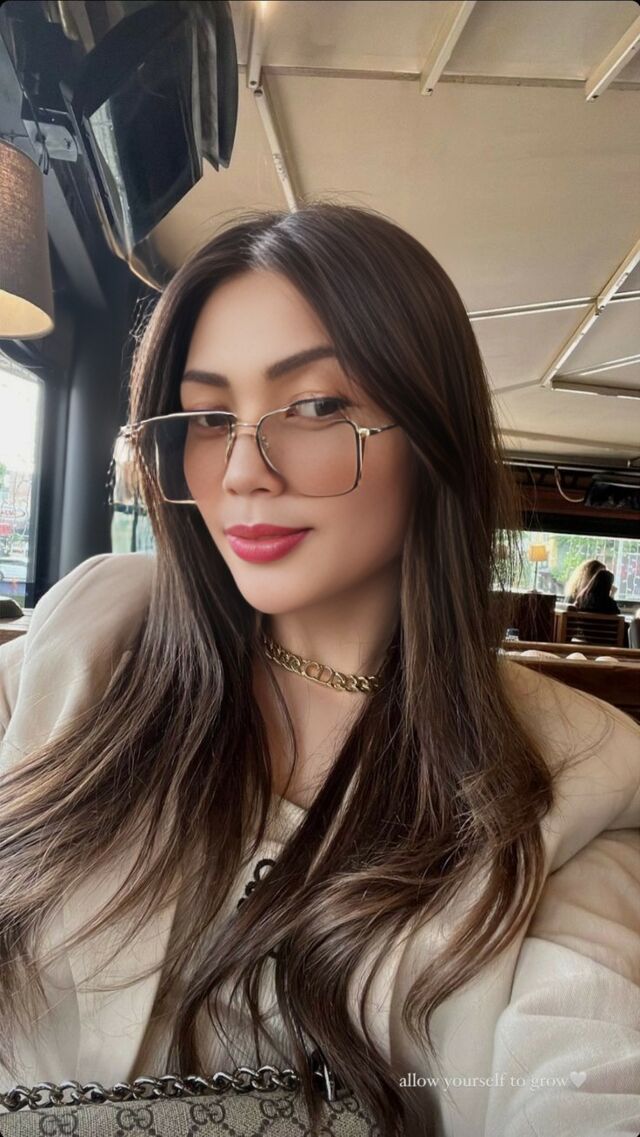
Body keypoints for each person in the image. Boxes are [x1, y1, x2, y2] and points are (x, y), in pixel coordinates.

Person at [0, 203, 639, 1137]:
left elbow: (588, 1076)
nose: (242, 472)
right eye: (210, 416)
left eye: (315, 406)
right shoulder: (93, 630)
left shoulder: (581, 776)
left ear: (433, 433)